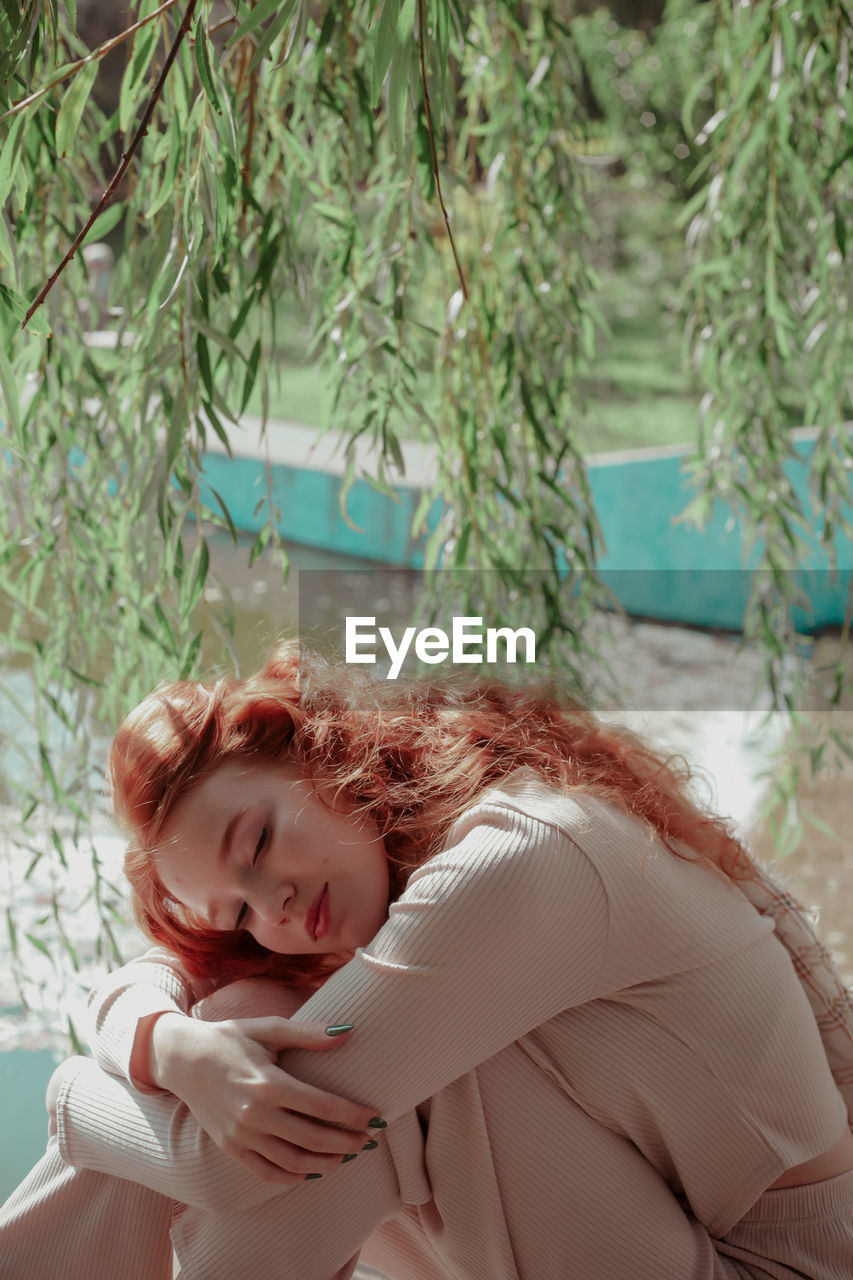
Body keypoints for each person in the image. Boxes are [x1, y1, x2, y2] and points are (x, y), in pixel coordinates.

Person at [1, 640, 852, 1280]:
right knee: (240, 1021)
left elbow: (223, 1165)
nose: (277, 909)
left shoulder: (524, 856)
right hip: (642, 1224)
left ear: (316, 749)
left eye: (259, 840)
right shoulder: (412, 867)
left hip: (772, 1268)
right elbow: (169, 978)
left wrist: (73, 1094)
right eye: (240, 912)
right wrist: (164, 1042)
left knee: (324, 1082)